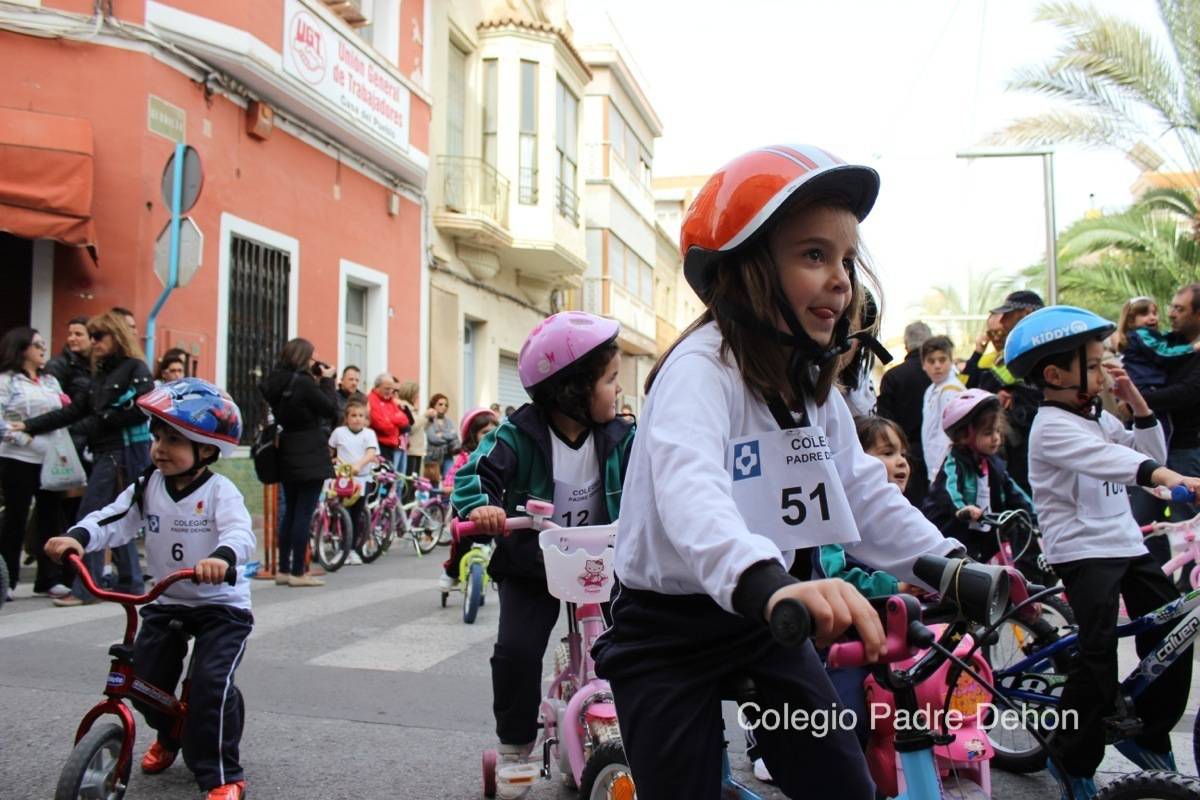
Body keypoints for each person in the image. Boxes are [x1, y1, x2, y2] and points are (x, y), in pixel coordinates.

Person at [591, 145, 962, 800]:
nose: (842, 279)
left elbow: (858, 491)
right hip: (668, 625)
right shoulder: (700, 370)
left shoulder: (812, 390)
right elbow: (691, 492)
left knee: (843, 786)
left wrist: (949, 564)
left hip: (767, 618)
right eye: (814, 255)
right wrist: (764, 581)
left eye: (847, 259)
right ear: (748, 273)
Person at [1005, 305, 1199, 800]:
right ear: (1055, 374)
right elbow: (1119, 462)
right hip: (1084, 552)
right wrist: (1166, 477)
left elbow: (1146, 448)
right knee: (1097, 654)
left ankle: (1148, 730)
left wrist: (1136, 401)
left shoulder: (1092, 418)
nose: (1103, 369)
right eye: (1092, 363)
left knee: (1173, 631)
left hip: (1125, 543)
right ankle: (1072, 756)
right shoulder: (1051, 426)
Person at [450, 311, 635, 790]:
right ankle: (514, 746)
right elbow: (473, 474)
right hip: (534, 563)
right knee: (516, 650)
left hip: (602, 561)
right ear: (571, 389)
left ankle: (639, 726)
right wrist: (484, 507)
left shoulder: (621, 437)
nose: (619, 391)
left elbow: (660, 474)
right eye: (611, 380)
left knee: (639, 642)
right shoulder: (518, 435)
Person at [45, 378, 254, 800]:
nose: (159, 447)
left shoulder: (220, 492)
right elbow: (113, 518)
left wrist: (223, 559)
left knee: (209, 687)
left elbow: (239, 534)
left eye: (173, 439)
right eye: (156, 436)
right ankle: (171, 732)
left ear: (207, 449)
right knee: (144, 682)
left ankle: (221, 776)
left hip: (220, 607)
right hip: (166, 599)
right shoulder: (147, 486)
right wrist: (78, 537)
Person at [751, 414, 920, 784]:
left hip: (895, 644)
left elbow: (925, 552)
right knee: (849, 721)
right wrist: (895, 585)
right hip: (843, 644)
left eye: (903, 452)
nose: (901, 461)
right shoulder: (831, 521)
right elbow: (835, 573)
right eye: (887, 452)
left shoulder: (906, 516)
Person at [13, 312, 152, 605]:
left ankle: (88, 588)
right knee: (119, 514)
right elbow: (74, 411)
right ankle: (129, 582)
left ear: (116, 336)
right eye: (92, 337)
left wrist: (105, 419)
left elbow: (143, 408)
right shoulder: (100, 374)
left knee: (94, 516)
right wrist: (29, 425)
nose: (93, 342)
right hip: (107, 452)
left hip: (123, 452)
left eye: (99, 336)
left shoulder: (134, 368)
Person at [921, 389, 1037, 566]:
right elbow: (949, 491)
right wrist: (962, 509)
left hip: (987, 537)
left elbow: (1013, 491)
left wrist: (1035, 514)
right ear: (964, 435)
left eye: (998, 431)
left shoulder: (993, 464)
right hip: (955, 534)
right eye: (988, 433)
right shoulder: (954, 463)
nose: (996, 438)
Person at [258, 338, 337, 587]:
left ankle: (282, 569)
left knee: (290, 511)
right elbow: (329, 409)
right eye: (311, 357)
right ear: (303, 357)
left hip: (287, 448)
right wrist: (327, 380)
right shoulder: (303, 382)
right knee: (304, 512)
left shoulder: (274, 381)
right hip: (310, 450)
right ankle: (298, 571)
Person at [0, 327, 70, 600]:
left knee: (50, 519)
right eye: (37, 345)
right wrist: (26, 440)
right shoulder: (8, 381)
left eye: (44, 344)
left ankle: (49, 579)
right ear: (22, 349)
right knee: (15, 518)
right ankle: (8, 580)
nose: (43, 349)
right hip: (17, 458)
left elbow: (64, 413)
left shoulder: (51, 381)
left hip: (51, 461)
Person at [964, 290, 1045, 493]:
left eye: (1008, 315)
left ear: (1025, 314)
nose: (1003, 322)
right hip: (1017, 449)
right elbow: (970, 386)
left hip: (1034, 443)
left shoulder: (1034, 351)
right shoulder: (1004, 356)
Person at [1141, 284, 1200, 523]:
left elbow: (1188, 392)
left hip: (1187, 450)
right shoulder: (1169, 344)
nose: (1171, 314)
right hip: (1157, 448)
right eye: (1172, 307)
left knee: (1187, 526)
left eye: (1179, 308)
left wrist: (1139, 401)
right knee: (1148, 525)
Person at [43, 315, 94, 541]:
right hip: (69, 446)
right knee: (64, 507)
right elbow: (57, 406)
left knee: (84, 509)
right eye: (71, 333)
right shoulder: (58, 366)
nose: (73, 338)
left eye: (79, 334)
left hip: (89, 446)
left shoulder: (95, 365)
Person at [439, 407, 499, 590]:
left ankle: (500, 572)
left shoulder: (502, 455)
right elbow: (454, 475)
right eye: (485, 432)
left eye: (495, 431)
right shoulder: (466, 458)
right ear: (473, 435)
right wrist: (449, 486)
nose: (491, 436)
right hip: (467, 510)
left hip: (495, 508)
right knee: (460, 543)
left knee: (504, 541)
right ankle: (451, 572)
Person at [876, 320, 932, 505]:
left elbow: (884, 423)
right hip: (940, 459)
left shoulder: (893, 377)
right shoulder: (942, 377)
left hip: (905, 457)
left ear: (906, 344)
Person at [328, 396, 378, 566]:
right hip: (342, 480)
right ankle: (342, 549)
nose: (357, 419)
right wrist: (332, 460)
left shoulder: (369, 434)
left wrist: (359, 464)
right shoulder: (338, 433)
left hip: (361, 480)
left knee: (356, 515)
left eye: (361, 416)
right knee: (342, 514)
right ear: (347, 418)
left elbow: (371, 453)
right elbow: (331, 450)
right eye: (353, 415)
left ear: (366, 419)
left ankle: (353, 550)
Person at [918, 335, 963, 482]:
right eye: (931, 361)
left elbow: (950, 434)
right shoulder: (931, 389)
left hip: (946, 466)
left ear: (951, 361)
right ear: (924, 364)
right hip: (933, 463)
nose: (937, 365)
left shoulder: (951, 390)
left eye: (942, 360)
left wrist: (941, 468)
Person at [367, 373, 408, 468]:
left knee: (390, 478)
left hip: (392, 446)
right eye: (387, 388)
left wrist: (390, 419)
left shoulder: (390, 401)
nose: (390, 392)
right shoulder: (371, 400)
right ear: (377, 387)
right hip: (379, 446)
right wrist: (395, 421)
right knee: (381, 479)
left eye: (391, 389)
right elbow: (382, 426)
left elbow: (405, 420)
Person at [424, 393, 459, 478]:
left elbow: (454, 436)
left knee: (449, 481)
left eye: (446, 405)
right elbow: (433, 438)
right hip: (433, 457)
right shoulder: (429, 420)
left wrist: (441, 435)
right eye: (440, 404)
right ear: (433, 405)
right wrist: (447, 436)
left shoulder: (449, 421)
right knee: (433, 483)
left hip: (448, 455)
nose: (444, 407)